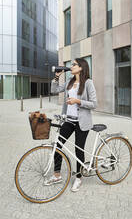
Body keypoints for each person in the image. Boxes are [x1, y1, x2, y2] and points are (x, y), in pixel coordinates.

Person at [44, 58, 97, 192]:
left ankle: (79, 177)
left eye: (74, 65)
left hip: (82, 122)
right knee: (58, 145)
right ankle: (57, 175)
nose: (71, 66)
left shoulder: (88, 83)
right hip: (68, 120)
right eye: (71, 64)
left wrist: (78, 101)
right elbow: (54, 90)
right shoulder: (69, 81)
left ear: (81, 67)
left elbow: (94, 104)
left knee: (78, 150)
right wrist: (56, 77)